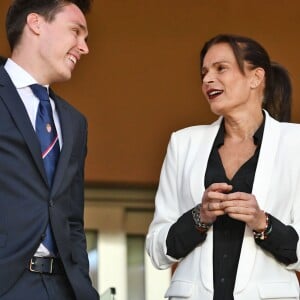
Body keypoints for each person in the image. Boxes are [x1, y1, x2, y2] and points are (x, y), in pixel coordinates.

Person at [146, 34, 300, 300]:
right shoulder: (183, 143)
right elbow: (157, 250)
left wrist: (263, 223)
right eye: (204, 72)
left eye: (221, 68)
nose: (207, 79)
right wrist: (198, 217)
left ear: (256, 77)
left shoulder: (295, 143)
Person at [0, 1, 99, 299]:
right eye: (75, 32)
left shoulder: (74, 122)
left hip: (63, 288)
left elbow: (72, 220)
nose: (83, 48)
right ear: (36, 23)